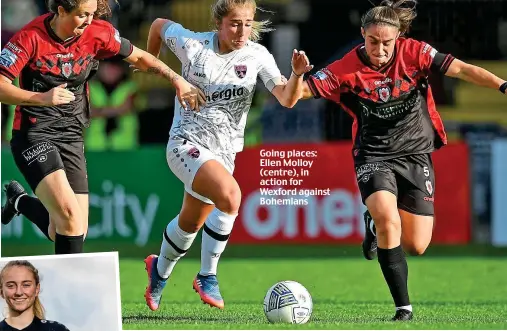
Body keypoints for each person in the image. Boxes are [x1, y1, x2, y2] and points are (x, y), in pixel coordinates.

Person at [295, 0, 507, 321]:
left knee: (417, 245)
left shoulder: (416, 53)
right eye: (373, 41)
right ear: (362, 35)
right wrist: (295, 80)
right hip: (373, 153)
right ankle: (403, 309)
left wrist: (502, 85)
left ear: (399, 37)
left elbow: (462, 69)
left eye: (387, 43)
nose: (380, 49)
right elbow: (303, 91)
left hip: (415, 152)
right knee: (387, 220)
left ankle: (371, 224)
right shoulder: (347, 66)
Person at [143, 0, 313, 311]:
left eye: (248, 23)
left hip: (223, 153)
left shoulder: (257, 55)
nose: (242, 30)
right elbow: (157, 26)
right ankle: (207, 275)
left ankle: (158, 271)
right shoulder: (193, 45)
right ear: (219, 23)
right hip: (185, 143)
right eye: (234, 23)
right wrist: (152, 63)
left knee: (190, 224)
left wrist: (297, 75)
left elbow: (287, 99)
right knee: (231, 197)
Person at [0, 0, 204, 255]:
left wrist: (177, 80)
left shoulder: (99, 33)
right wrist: (42, 98)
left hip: (72, 135)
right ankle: (69, 292)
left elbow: (140, 56)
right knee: (70, 219)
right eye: (83, 15)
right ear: (61, 10)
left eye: (93, 14)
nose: (88, 21)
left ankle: (18, 201)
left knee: (70, 229)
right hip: (35, 134)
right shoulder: (29, 37)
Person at [0, 260, 70, 331]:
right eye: (11, 286)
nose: (19, 292)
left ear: (37, 289)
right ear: (1, 292)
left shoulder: (57, 329)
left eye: (26, 285)